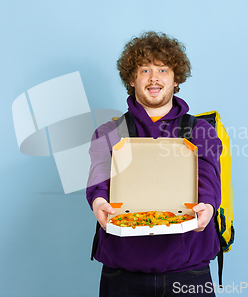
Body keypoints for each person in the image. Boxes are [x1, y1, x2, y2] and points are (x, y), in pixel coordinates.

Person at [86, 31, 222, 296]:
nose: (154, 78)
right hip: (123, 270)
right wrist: (99, 202)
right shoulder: (108, 132)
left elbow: (207, 174)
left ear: (175, 78)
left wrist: (207, 204)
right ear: (132, 79)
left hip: (189, 268)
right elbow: (99, 179)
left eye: (163, 69)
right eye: (145, 69)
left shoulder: (201, 130)